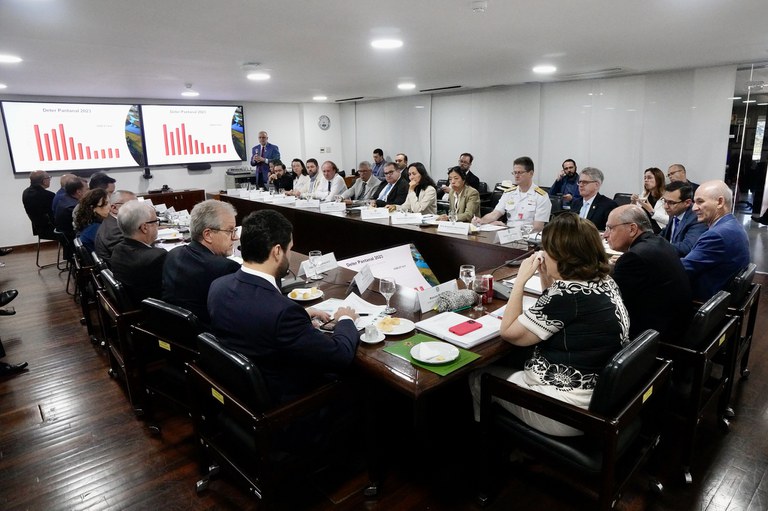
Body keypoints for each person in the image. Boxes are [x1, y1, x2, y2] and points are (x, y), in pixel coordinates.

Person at [469, 213, 629, 436]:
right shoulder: (603, 280)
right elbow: (556, 307)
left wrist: (521, 281)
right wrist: (548, 276)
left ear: (564, 257)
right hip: (597, 395)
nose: (543, 254)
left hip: (566, 410)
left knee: (478, 377)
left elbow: (509, 333)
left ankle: (488, 446)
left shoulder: (567, 294)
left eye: (548, 250)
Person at [207, 209, 359, 405]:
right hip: (287, 407)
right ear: (277, 251)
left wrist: (301, 315)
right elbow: (340, 356)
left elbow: (254, 319)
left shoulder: (218, 286)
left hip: (238, 396)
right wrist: (346, 319)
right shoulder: (283, 312)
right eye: (289, 249)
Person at [603, 205, 692, 340]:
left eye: (610, 228)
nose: (605, 235)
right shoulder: (658, 242)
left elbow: (611, 303)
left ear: (632, 229)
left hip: (653, 338)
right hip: (677, 325)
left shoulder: (634, 258)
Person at [162, 199, 240, 325]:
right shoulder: (226, 268)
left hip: (172, 330)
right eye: (230, 231)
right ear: (208, 234)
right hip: (206, 338)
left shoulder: (173, 254)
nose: (235, 237)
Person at [681, 180, 750, 302]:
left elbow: (683, 269)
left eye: (700, 202)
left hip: (702, 300)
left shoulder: (716, 235)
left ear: (720, 202)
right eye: (694, 202)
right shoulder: (733, 224)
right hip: (720, 296)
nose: (694, 208)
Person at [110, 200, 167, 308]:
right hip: (153, 313)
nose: (157, 226)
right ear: (144, 227)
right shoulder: (157, 257)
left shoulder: (118, 249)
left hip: (133, 305)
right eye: (156, 222)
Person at [472, 156, 551, 231]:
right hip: (509, 235)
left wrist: (506, 228)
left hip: (528, 239)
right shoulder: (509, 193)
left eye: (520, 172)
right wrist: (481, 221)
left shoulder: (541, 196)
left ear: (530, 173)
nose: (516, 176)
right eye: (514, 173)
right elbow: (495, 214)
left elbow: (538, 227)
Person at [658, 181, 706, 256]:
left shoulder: (697, 218)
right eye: (664, 201)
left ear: (687, 202)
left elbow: (687, 247)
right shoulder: (674, 212)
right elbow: (665, 233)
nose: (666, 206)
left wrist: (657, 247)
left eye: (671, 202)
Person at [94, 190, 136, 264]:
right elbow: (132, 257)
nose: (138, 210)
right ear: (114, 208)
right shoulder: (114, 230)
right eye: (133, 206)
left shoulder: (112, 222)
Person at [631, 167, 668, 232]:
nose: (646, 180)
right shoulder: (644, 194)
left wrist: (652, 211)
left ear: (658, 180)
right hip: (643, 229)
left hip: (660, 231)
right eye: (645, 178)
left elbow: (670, 220)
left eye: (649, 178)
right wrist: (633, 202)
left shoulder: (667, 197)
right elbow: (634, 215)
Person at [21, 170, 56, 239]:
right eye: (49, 178)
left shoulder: (25, 192)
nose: (50, 180)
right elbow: (54, 215)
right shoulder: (48, 195)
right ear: (44, 181)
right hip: (51, 229)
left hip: (38, 229)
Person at [74, 189, 110, 253]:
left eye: (109, 202)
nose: (110, 207)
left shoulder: (88, 223)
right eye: (105, 204)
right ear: (93, 208)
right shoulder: (97, 229)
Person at [54, 178, 86, 249]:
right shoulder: (74, 207)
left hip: (68, 238)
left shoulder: (64, 199)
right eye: (86, 190)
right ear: (79, 192)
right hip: (74, 241)